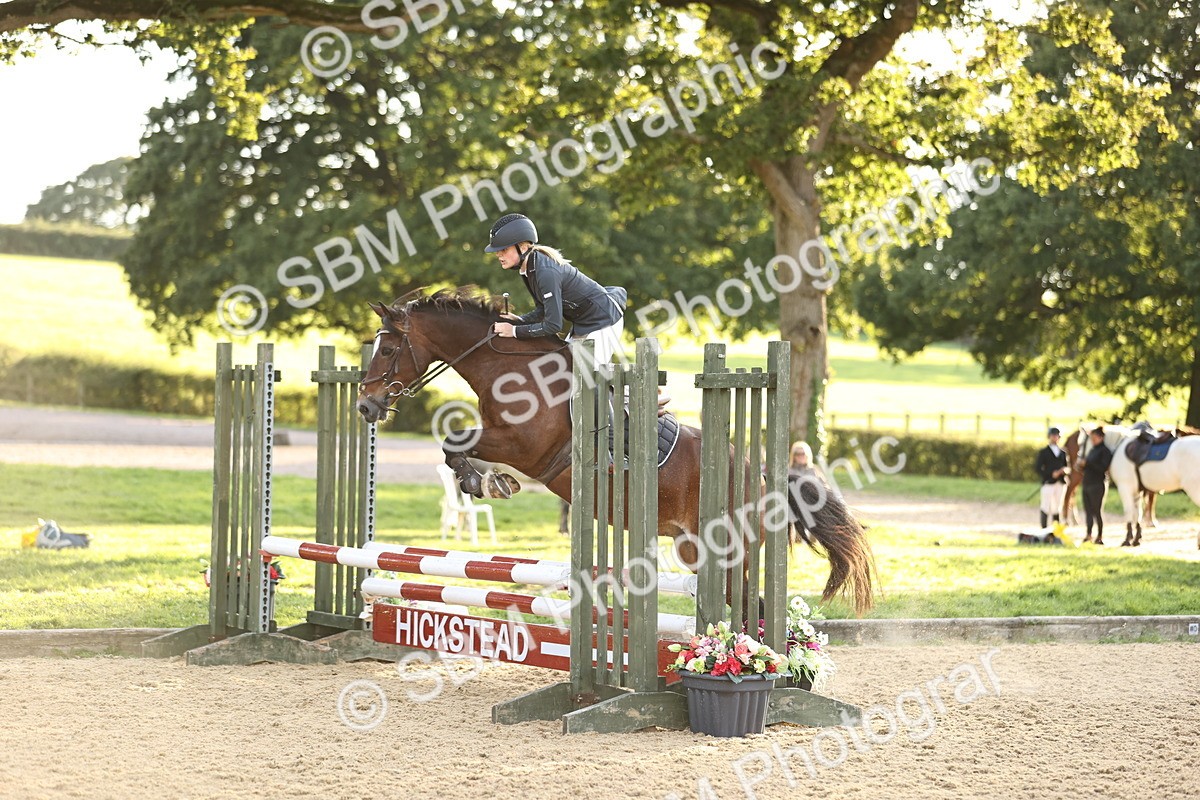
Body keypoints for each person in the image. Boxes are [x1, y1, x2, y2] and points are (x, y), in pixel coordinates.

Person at [486, 213, 627, 364]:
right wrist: (520, 320)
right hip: (583, 324)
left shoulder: (545, 271)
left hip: (604, 321)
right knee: (564, 371)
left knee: (585, 380)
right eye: (497, 250)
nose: (498, 254)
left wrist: (514, 331)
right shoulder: (529, 268)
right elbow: (543, 309)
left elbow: (553, 325)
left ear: (523, 247)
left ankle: (625, 389)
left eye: (504, 250)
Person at [1080, 426, 1113, 544]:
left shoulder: (1105, 451)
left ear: (1101, 437)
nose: (1092, 440)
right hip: (1087, 483)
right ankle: (1088, 534)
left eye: (1094, 438)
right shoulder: (1093, 450)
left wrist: (1088, 463)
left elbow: (1103, 468)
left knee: (1097, 511)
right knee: (1088, 511)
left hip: (1097, 484)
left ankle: (1099, 536)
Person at [1035, 426, 1069, 528]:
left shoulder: (1063, 453)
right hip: (1048, 482)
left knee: (1057, 507)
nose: (1055, 438)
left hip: (1060, 482)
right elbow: (1038, 468)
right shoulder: (1044, 452)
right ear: (1049, 437)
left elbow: (1067, 467)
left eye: (1057, 436)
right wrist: (1050, 474)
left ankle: (1056, 530)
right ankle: (1044, 529)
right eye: (1053, 436)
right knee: (1045, 505)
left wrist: (1064, 471)